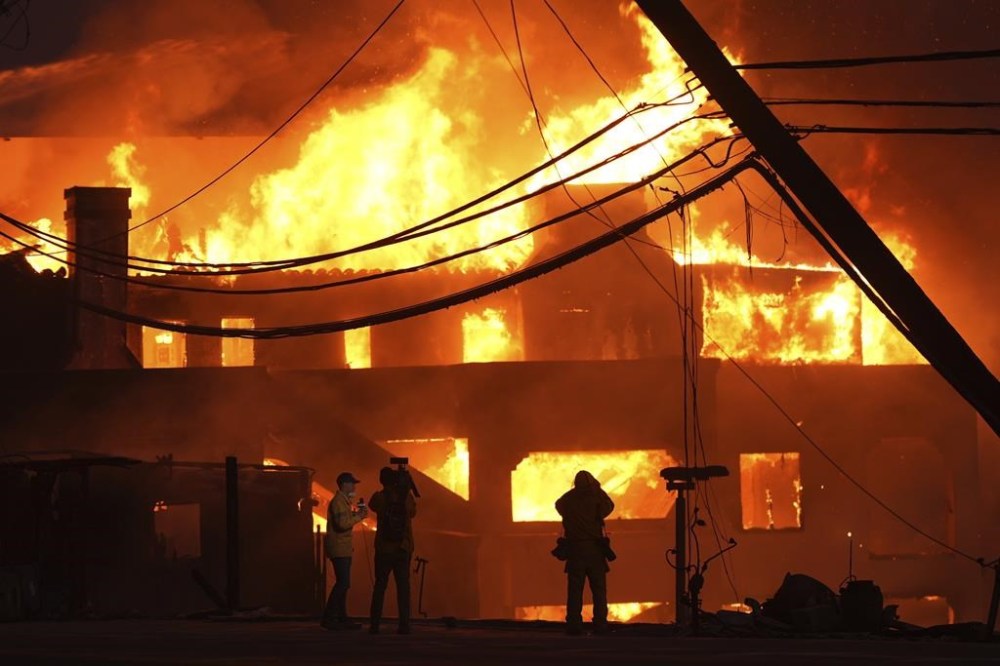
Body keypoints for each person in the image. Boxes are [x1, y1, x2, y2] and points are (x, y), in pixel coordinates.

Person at [554, 470, 615, 635]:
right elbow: (610, 506)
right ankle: (600, 625)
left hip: (575, 551)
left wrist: (575, 492)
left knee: (574, 590)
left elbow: (558, 504)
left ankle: (574, 625)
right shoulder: (597, 499)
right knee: (599, 591)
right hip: (595, 551)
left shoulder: (568, 500)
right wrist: (597, 489)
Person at [367, 466, 417, 635]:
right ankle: (404, 625)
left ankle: (374, 625)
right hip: (403, 548)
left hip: (383, 549)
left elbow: (371, 505)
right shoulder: (406, 498)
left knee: (380, 586)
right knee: (403, 588)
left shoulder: (379, 498)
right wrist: (405, 488)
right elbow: (413, 512)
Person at [321, 471, 368, 630]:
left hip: (343, 548)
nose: (354, 486)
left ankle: (341, 618)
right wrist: (359, 517)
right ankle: (329, 617)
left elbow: (344, 520)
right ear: (344, 485)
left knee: (344, 584)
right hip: (340, 548)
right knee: (343, 583)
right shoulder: (338, 502)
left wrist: (355, 513)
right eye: (352, 483)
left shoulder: (343, 502)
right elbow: (342, 525)